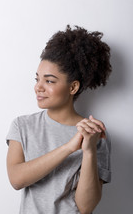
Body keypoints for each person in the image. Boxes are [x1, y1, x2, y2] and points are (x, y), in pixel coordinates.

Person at [6, 25, 112, 214]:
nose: (39, 87)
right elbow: (16, 179)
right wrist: (68, 148)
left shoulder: (94, 134)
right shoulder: (22, 126)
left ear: (73, 87)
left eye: (49, 81)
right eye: (37, 79)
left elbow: (86, 207)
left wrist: (88, 151)